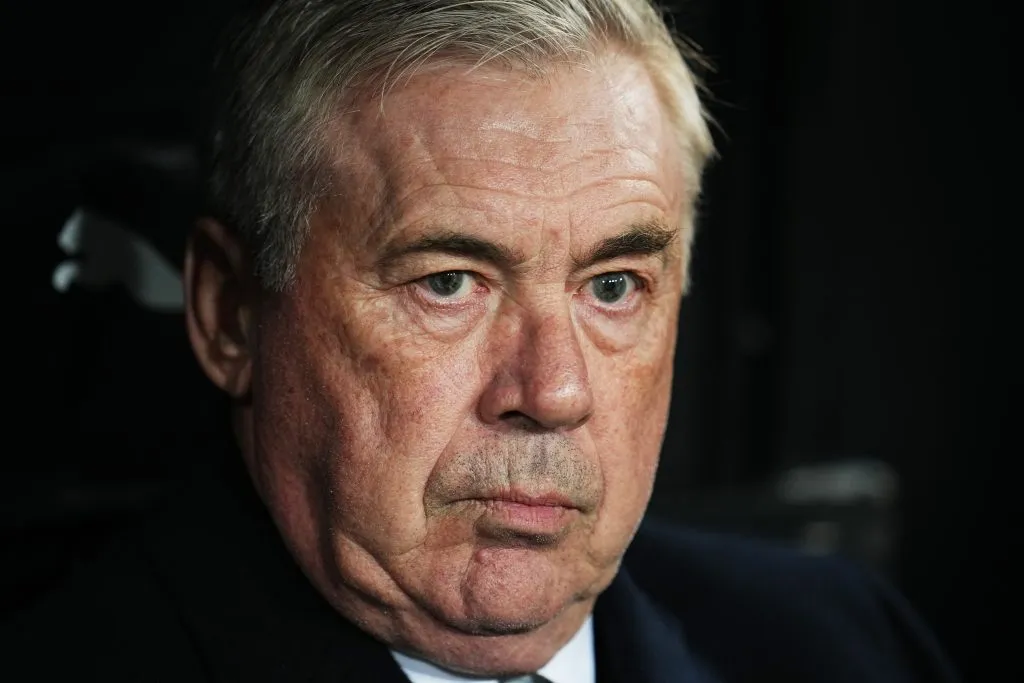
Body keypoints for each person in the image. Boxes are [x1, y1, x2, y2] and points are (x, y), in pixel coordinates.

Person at [5, 1, 959, 681]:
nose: (552, 390)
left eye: (615, 285)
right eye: (449, 282)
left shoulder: (844, 640)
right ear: (229, 314)